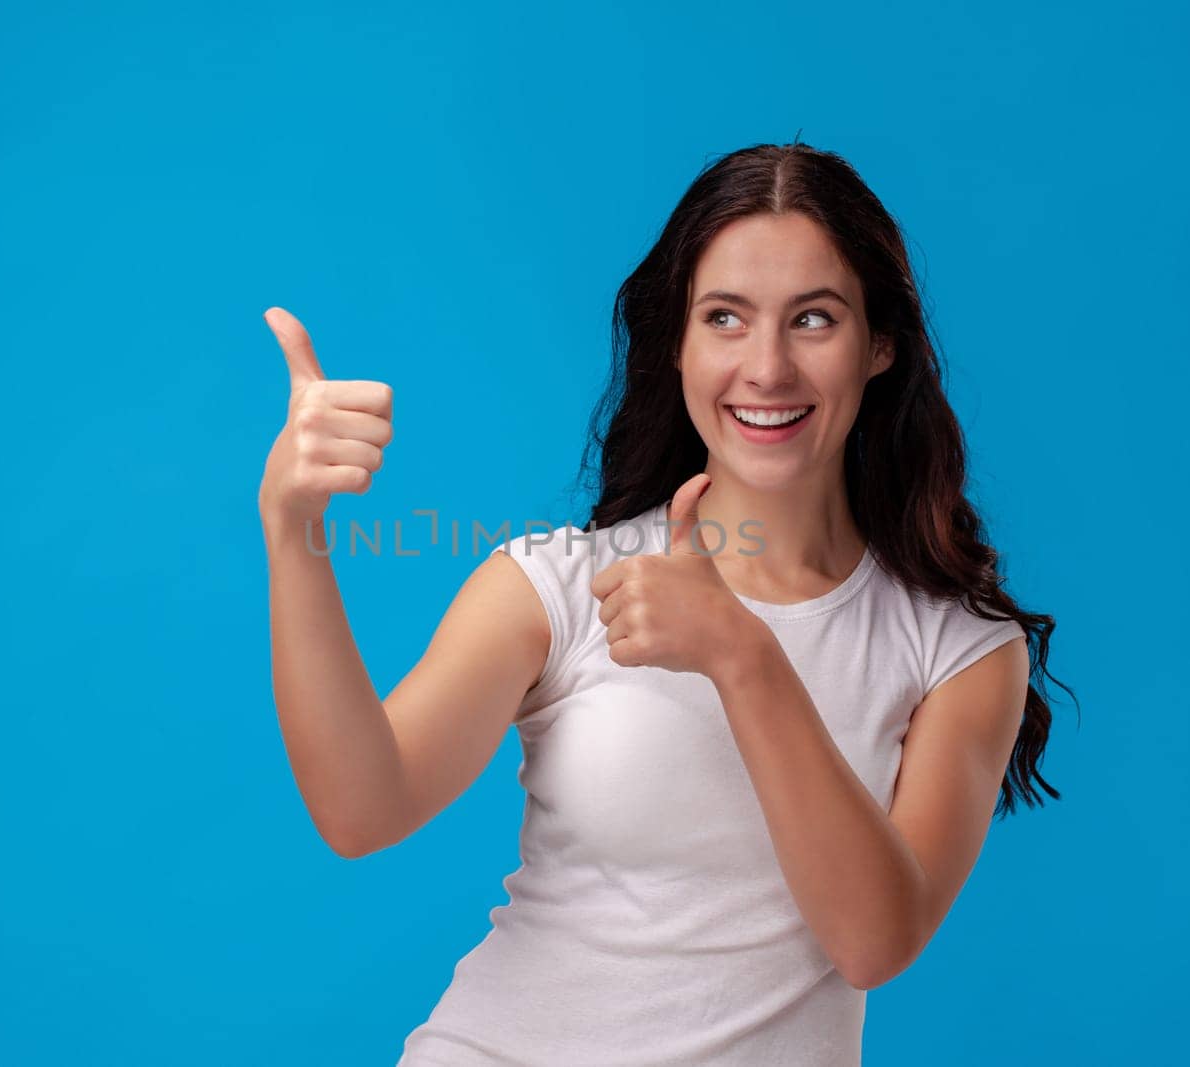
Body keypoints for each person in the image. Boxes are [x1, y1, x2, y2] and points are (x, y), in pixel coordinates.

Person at [258, 138, 1073, 1066]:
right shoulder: (559, 585)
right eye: (725, 317)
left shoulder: (960, 651)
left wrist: (742, 653)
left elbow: (873, 941)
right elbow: (363, 810)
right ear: (677, 345)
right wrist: (294, 533)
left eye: (814, 319)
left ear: (880, 344)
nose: (766, 368)